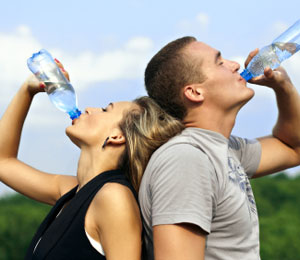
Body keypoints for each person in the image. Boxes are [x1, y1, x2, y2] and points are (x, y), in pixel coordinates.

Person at [0, 60, 184, 260]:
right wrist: (27, 90)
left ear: (117, 136)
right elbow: (3, 162)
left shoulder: (114, 198)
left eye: (105, 110)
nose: (89, 108)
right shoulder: (72, 191)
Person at [138, 36, 300, 260]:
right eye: (219, 62)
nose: (235, 64)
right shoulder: (186, 159)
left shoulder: (226, 149)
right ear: (194, 92)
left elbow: (294, 148)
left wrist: (284, 86)